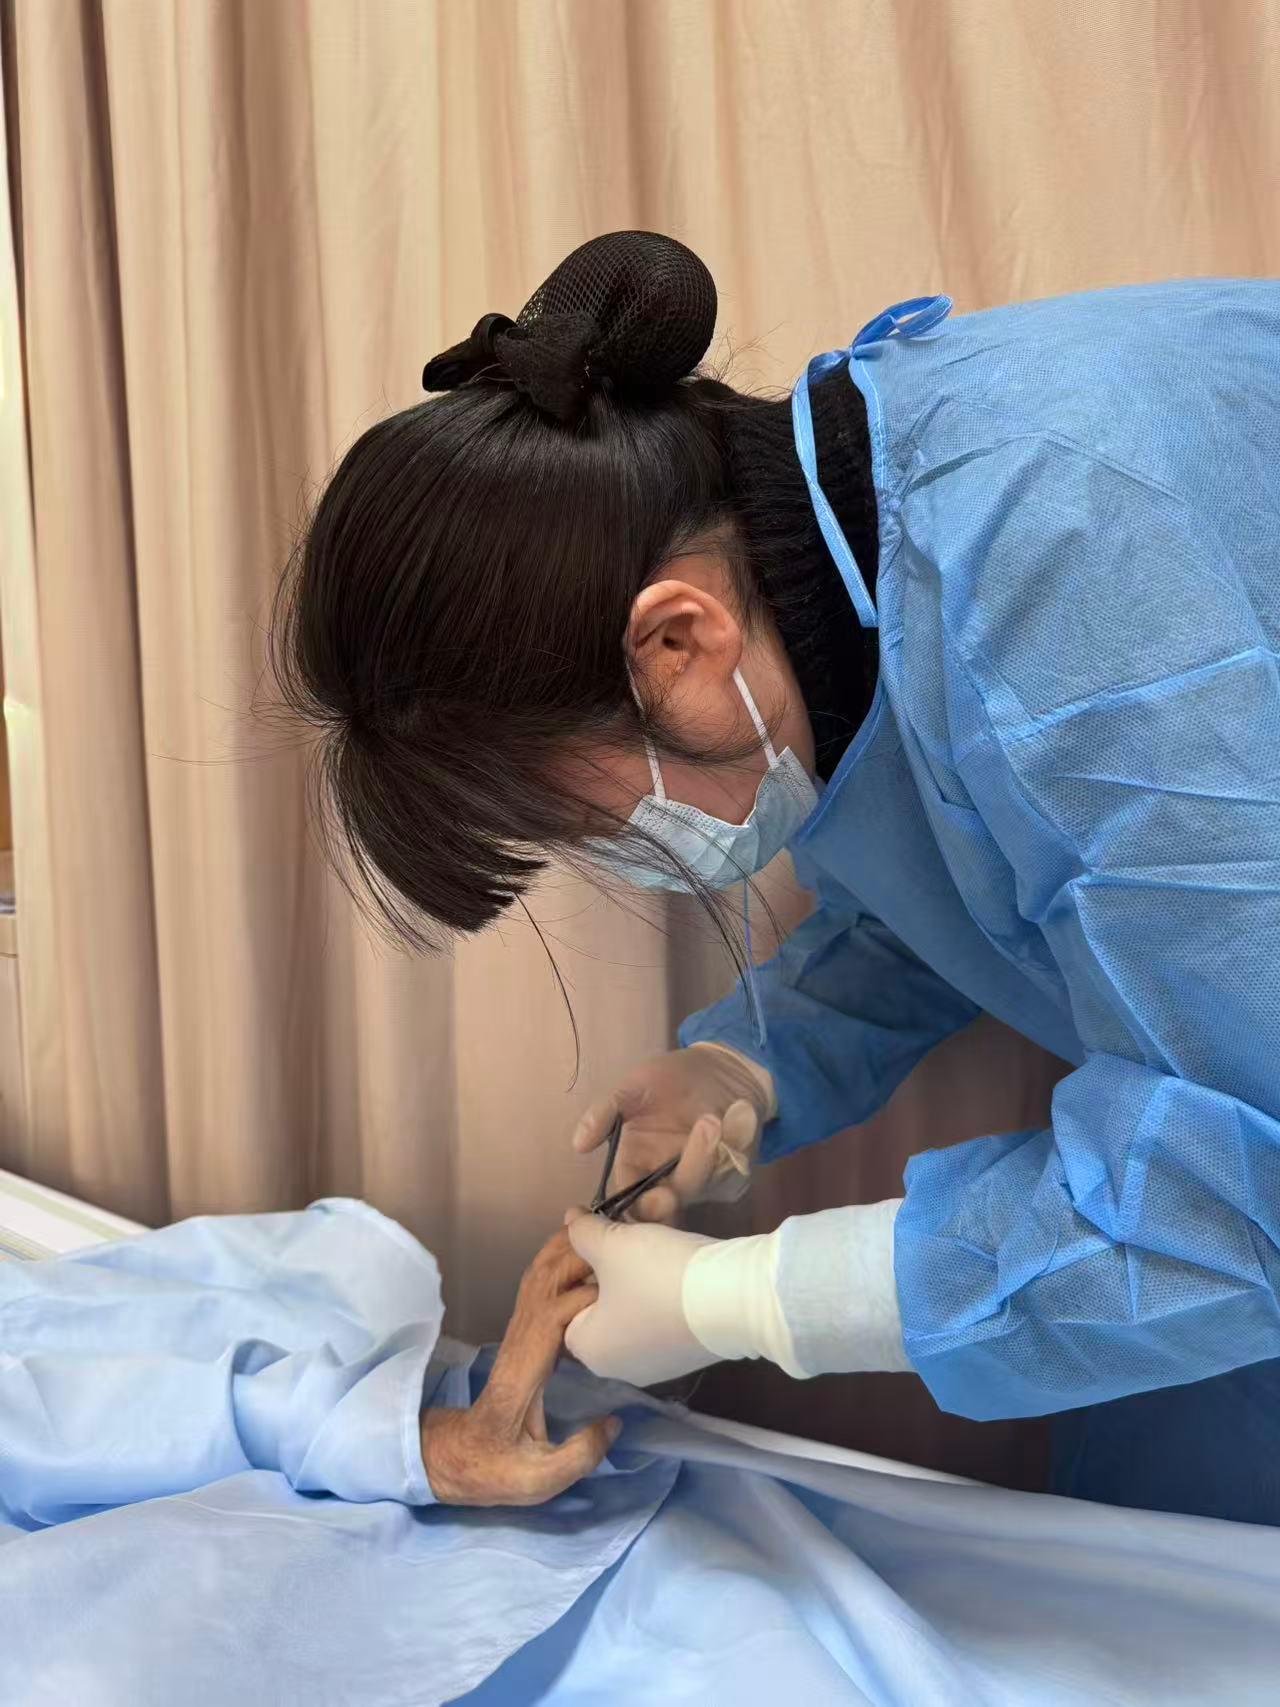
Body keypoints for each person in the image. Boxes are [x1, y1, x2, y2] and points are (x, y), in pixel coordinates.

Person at [271, 231, 1280, 1523]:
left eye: (580, 816)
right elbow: (991, 879)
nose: (614, 857)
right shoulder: (852, 572)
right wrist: (748, 1067)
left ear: (675, 640)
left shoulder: (1066, 553)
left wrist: (745, 1300)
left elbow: (1240, 1189)